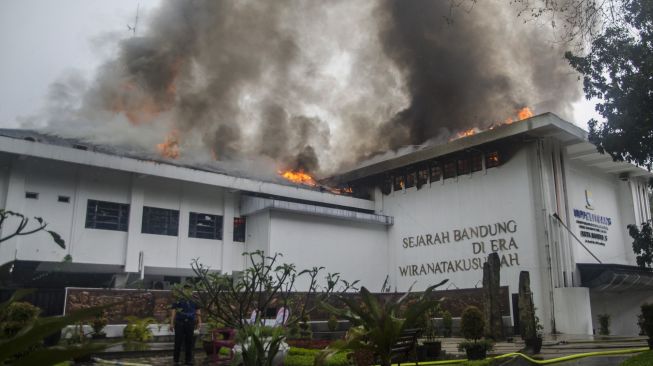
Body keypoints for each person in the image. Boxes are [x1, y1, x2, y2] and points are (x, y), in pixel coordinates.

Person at [170, 285, 202, 366]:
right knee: (178, 341)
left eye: (189, 289)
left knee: (189, 342)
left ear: (191, 290)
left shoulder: (195, 298)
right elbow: (174, 311)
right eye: (185, 289)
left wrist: (199, 322)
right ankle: (176, 360)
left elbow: (198, 310)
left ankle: (188, 360)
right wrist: (171, 323)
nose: (187, 291)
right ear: (183, 290)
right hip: (179, 322)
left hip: (190, 323)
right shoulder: (178, 299)